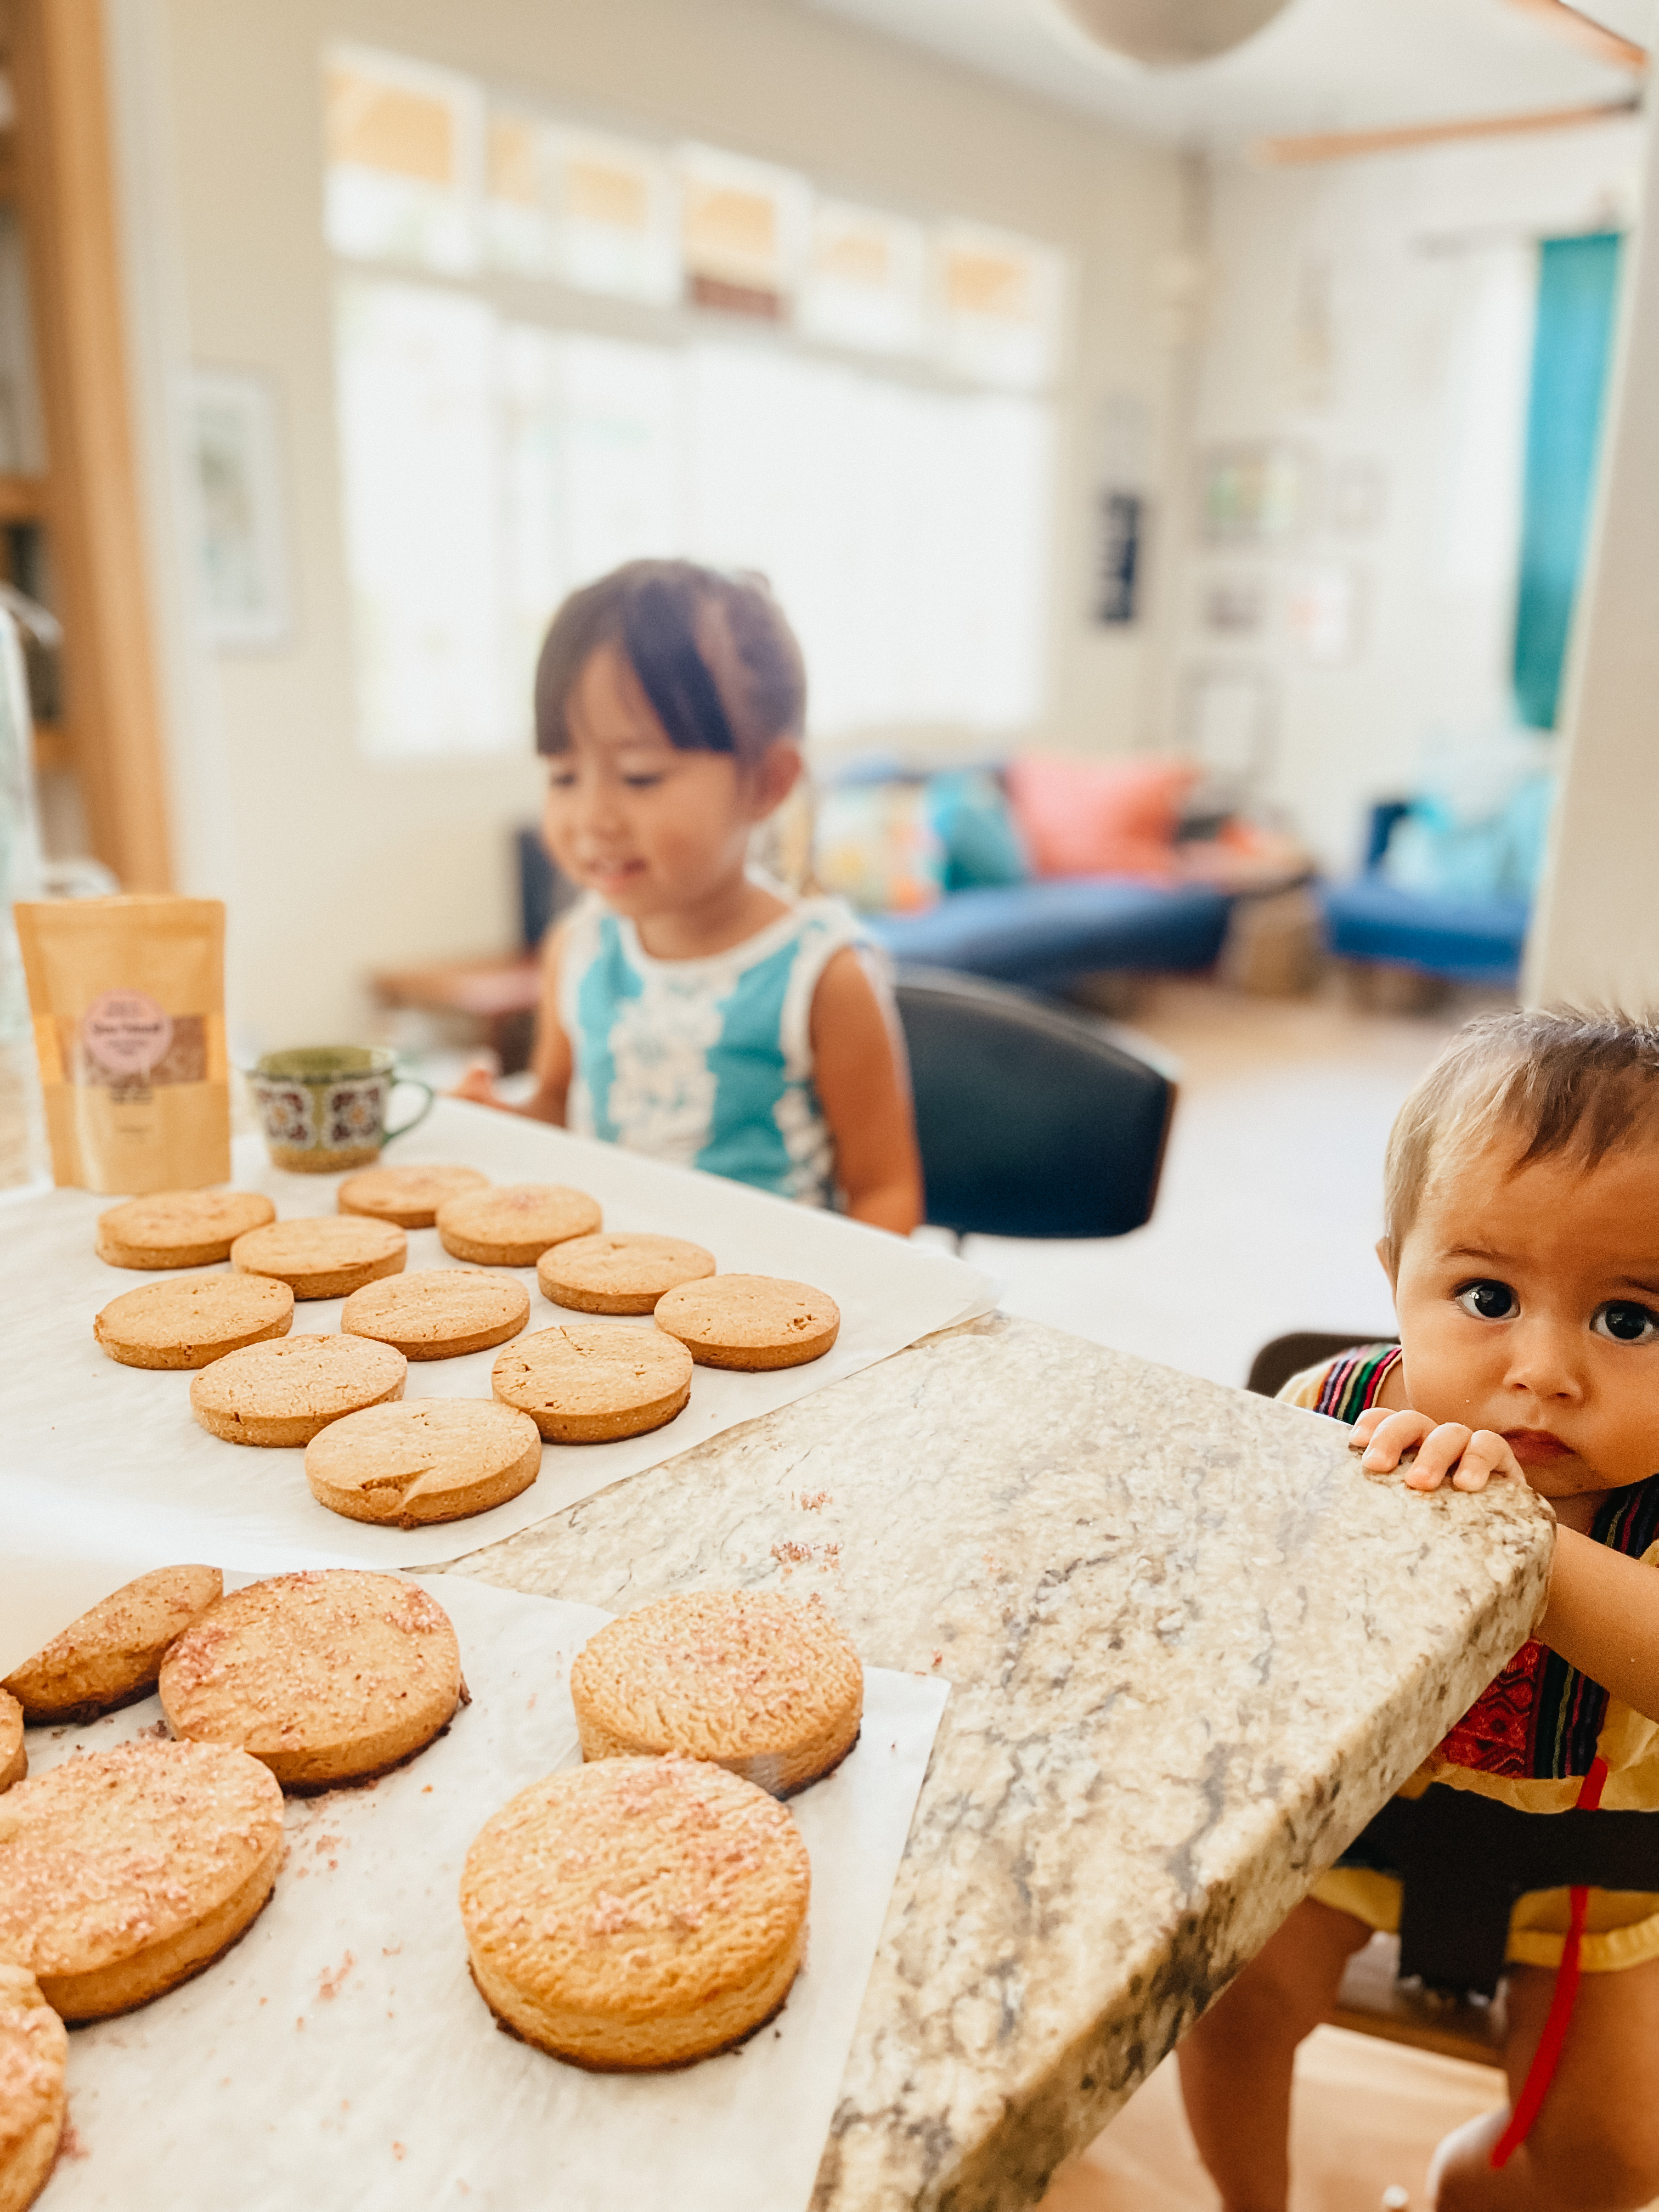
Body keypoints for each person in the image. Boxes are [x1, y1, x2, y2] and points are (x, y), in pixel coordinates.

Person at [1178, 1009, 1659, 2211]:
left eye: (1631, 1321)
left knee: (1617, 2153)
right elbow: (1230, 1623)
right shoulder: (1338, 1414)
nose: (1544, 1370)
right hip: (1351, 1829)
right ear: (1397, 1276)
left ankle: (1464, 2187)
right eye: (1487, 1295)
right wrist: (1335, 1510)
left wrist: (1527, 1549)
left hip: (1592, 1878)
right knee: (1219, 2000)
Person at [454, 558, 923, 1235]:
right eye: (563, 776)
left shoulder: (823, 975)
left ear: (766, 783)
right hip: (610, 1292)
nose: (592, 819)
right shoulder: (577, 947)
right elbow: (560, 1103)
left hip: (770, 1311)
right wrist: (503, 1116)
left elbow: (886, 1194)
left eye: (640, 777)